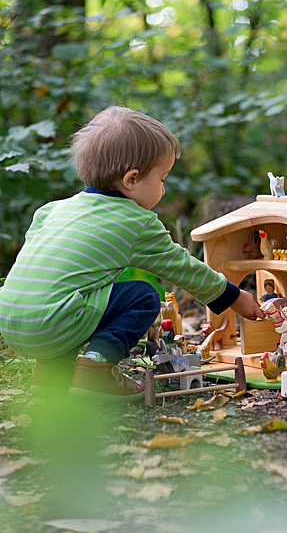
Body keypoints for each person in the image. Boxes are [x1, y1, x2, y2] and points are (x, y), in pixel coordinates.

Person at [0, 106, 263, 401]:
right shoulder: (136, 222)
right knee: (142, 296)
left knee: (76, 293)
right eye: (162, 178)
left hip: (11, 319)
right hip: (54, 322)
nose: (163, 190)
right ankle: (95, 371)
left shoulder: (52, 210)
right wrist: (233, 296)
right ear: (132, 179)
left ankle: (50, 376)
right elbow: (181, 267)